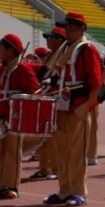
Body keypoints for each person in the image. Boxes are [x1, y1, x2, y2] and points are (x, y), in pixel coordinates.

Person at [45, 12, 102, 207]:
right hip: (62, 106)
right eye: (66, 28)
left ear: (81, 29)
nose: (67, 31)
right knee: (62, 152)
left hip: (78, 107)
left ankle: (78, 192)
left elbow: (95, 83)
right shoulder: (65, 49)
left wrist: (85, 107)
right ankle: (64, 190)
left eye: (71, 28)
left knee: (77, 153)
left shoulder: (87, 49)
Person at [0, 34, 40, 199]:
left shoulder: (22, 68)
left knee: (12, 152)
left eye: (1, 47)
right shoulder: (0, 67)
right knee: (0, 152)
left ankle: (12, 186)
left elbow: (35, 91)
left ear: (10, 51)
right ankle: (2, 186)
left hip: (14, 117)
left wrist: (17, 97)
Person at [28, 28, 65, 181]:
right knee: (44, 134)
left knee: (54, 136)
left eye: (51, 38)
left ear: (59, 40)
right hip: (46, 96)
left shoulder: (63, 54)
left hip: (56, 96)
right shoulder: (51, 55)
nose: (48, 40)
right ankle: (44, 167)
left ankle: (56, 168)